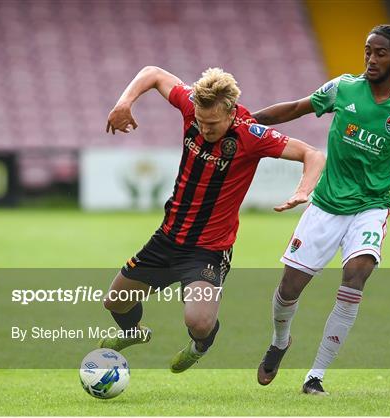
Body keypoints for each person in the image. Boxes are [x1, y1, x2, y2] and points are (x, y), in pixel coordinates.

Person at [253, 24, 390, 395]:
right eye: (368, 51)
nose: (371, 59)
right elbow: (295, 109)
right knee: (289, 288)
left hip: (371, 208)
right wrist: (246, 120)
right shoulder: (343, 88)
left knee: (356, 275)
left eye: (380, 53)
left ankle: (315, 375)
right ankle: (280, 341)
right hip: (326, 205)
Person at [100, 66, 326, 373]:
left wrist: (303, 190)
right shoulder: (191, 104)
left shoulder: (251, 134)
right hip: (168, 237)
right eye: (200, 121)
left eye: (212, 124)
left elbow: (313, 154)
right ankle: (133, 333)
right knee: (115, 302)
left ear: (231, 113)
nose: (204, 129)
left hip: (208, 249)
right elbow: (153, 73)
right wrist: (124, 103)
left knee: (198, 322)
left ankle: (200, 345)